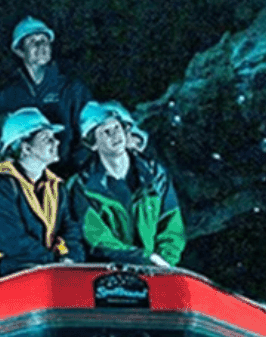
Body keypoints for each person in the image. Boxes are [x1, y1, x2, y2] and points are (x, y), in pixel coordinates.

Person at [63, 100, 186, 267]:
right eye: (106, 132)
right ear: (93, 143)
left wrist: (165, 262)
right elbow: (98, 239)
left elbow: (172, 225)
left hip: (158, 272)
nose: (115, 135)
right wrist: (142, 259)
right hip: (108, 274)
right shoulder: (82, 187)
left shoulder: (155, 175)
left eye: (117, 128)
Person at [0, 106, 71, 282]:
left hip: (43, 273)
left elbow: (70, 227)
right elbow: (10, 241)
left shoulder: (56, 187)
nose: (57, 142)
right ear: (26, 149)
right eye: (47, 138)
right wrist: (55, 260)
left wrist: (71, 257)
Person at [0, 16, 91, 171]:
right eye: (33, 42)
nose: (40, 46)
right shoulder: (7, 95)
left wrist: (77, 171)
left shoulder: (72, 88)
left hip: (67, 172)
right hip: (26, 176)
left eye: (44, 41)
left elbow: (88, 134)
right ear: (20, 51)